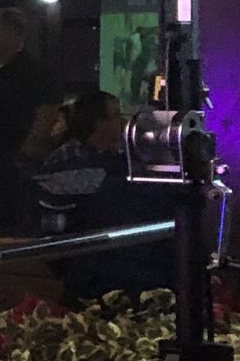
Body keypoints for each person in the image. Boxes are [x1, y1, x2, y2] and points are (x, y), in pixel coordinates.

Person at [36, 89, 170, 296]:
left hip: (121, 259)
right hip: (92, 267)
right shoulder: (68, 162)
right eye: (116, 115)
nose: (123, 121)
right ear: (98, 123)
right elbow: (56, 226)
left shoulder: (119, 158)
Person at [0, 8, 62, 232]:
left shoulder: (33, 71)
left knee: (17, 223)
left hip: (15, 162)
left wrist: (25, 152)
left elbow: (48, 110)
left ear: (10, 33)